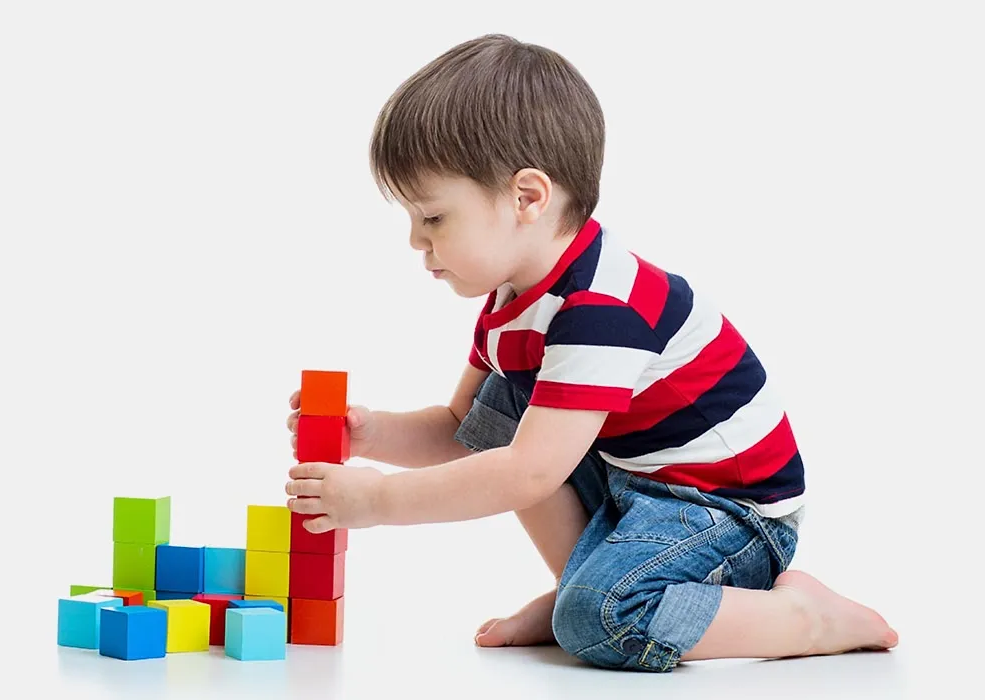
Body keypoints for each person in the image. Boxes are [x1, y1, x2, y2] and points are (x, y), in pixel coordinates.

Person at [283, 33, 898, 672]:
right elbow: (469, 435)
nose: (416, 241)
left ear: (528, 198)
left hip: (726, 509)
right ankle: (587, 584)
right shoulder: (511, 302)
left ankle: (802, 618)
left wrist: (377, 503)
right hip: (634, 478)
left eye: (433, 217)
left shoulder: (602, 309)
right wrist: (368, 434)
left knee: (603, 621)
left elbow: (528, 473)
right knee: (509, 410)